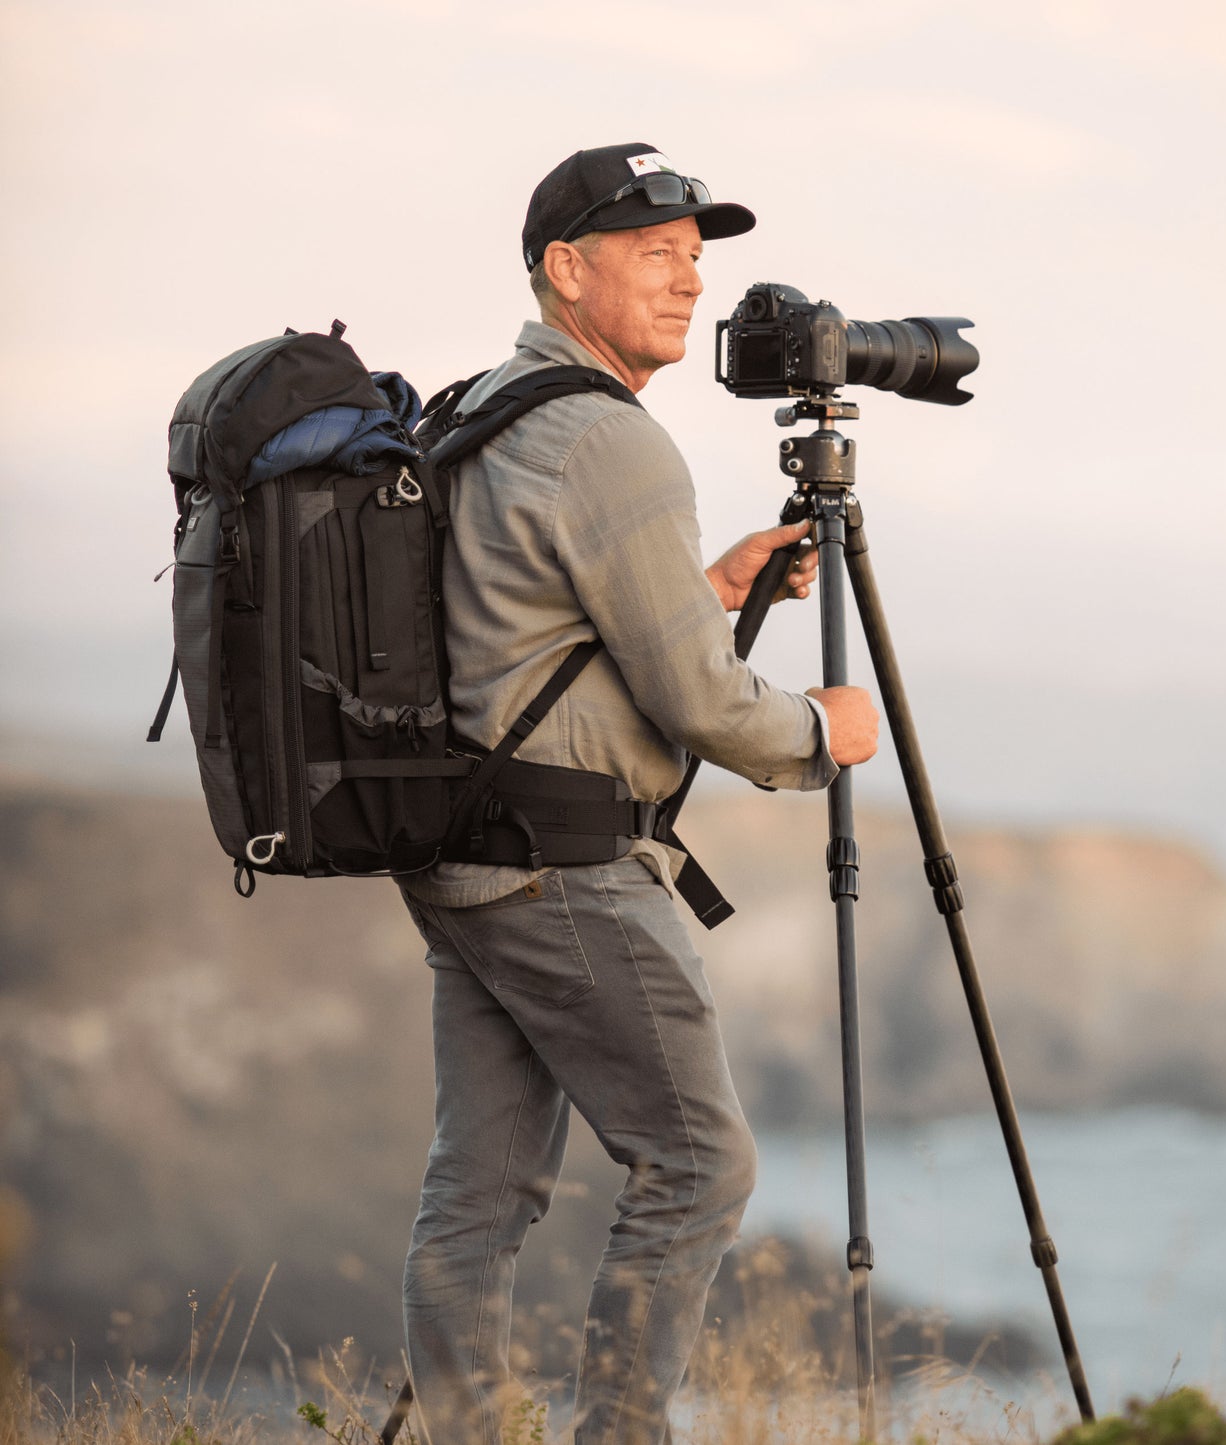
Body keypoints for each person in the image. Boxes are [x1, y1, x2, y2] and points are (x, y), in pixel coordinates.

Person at [398, 142, 879, 1444]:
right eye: (656, 254)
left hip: (464, 855)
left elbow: (530, 636)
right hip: (565, 867)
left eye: (695, 260)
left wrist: (708, 593)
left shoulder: (481, 410)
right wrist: (818, 733)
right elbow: (700, 708)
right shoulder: (609, 443)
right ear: (566, 269)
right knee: (699, 1162)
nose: (687, 283)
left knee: (482, 1190)